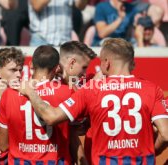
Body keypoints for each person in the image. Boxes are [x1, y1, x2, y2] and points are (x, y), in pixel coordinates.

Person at [18, 38, 168, 164]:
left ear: (107, 63)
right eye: (84, 67)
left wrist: (30, 92)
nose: (93, 70)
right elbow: (165, 134)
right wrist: (147, 152)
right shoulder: (151, 88)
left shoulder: (90, 89)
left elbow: (51, 117)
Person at [0, 45, 88, 164]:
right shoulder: (66, 92)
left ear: (30, 65)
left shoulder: (9, 94)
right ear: (56, 69)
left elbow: (3, 145)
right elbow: (79, 130)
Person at [92, 0, 164, 46]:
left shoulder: (131, 9)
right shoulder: (102, 7)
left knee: (137, 44)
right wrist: (120, 19)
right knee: (109, 42)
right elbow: (102, 33)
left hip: (123, 44)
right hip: (102, 44)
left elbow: (135, 29)